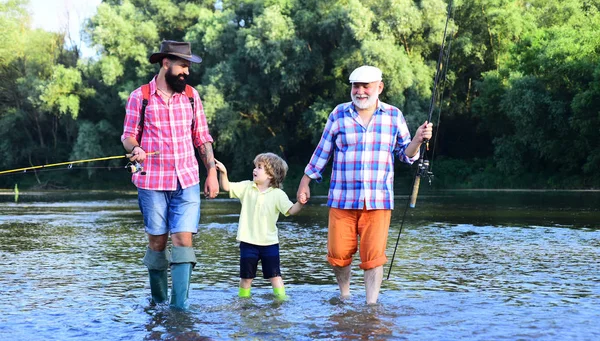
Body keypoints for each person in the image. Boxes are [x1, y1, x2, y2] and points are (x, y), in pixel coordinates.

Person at [296, 65, 433, 304]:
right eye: (355, 86)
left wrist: (418, 139)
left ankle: (371, 305)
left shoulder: (393, 115)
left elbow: (406, 155)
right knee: (338, 254)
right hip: (342, 199)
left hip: (378, 201)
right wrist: (305, 181)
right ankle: (345, 296)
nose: (359, 91)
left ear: (379, 88)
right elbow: (322, 151)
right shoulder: (338, 114)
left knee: (374, 257)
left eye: (365, 86)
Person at [121, 40, 219, 309]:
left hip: (187, 180)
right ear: (165, 63)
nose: (186, 72)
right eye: (183, 66)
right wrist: (136, 148)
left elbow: (202, 137)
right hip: (151, 182)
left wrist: (211, 171)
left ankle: (179, 308)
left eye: (188, 67)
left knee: (182, 239)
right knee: (158, 240)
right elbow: (128, 136)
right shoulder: (139, 97)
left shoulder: (191, 96)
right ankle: (159, 302)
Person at [214, 153, 307, 299]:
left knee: (275, 276)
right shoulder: (246, 187)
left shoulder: (278, 194)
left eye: (259, 167)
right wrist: (223, 172)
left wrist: (300, 203)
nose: (255, 170)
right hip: (248, 243)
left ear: (271, 174)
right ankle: (243, 302)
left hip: (269, 244)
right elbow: (226, 186)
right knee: (246, 278)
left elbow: (291, 210)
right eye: (255, 166)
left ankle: (282, 301)